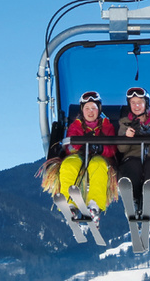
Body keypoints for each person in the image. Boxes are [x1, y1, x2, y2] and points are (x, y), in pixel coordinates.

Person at [39, 91, 117, 219]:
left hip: (99, 156)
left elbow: (113, 149)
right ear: (82, 110)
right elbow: (69, 147)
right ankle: (69, 203)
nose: (90, 112)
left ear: (98, 110)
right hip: (80, 155)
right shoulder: (76, 125)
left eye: (93, 108)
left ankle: (95, 204)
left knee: (98, 165)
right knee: (69, 164)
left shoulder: (106, 126)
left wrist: (101, 148)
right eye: (87, 108)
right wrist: (79, 146)